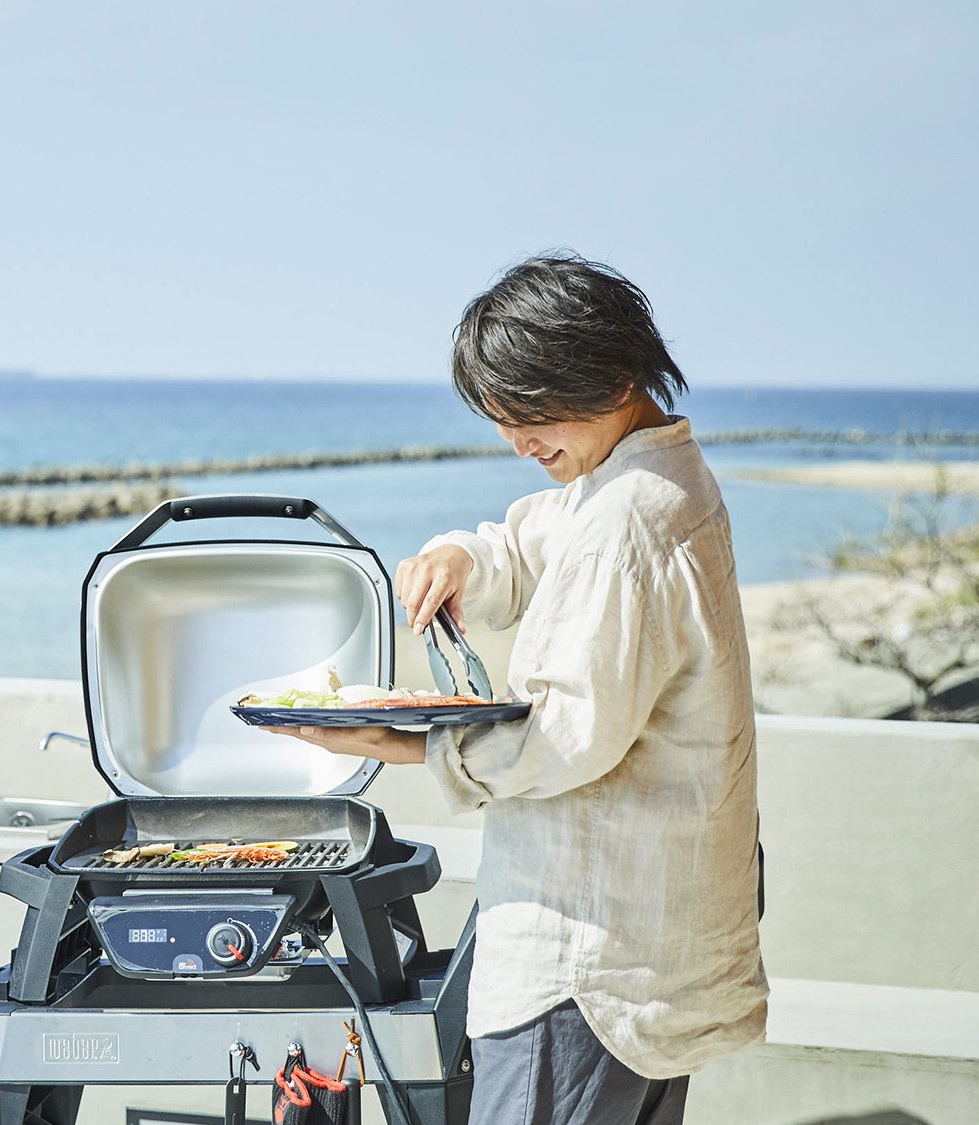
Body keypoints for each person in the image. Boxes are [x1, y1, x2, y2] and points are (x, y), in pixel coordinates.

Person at [280, 256, 766, 1124]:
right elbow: (537, 537)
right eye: (504, 416)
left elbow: (565, 736)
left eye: (533, 411)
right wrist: (468, 556)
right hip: (635, 952)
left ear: (615, 376)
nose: (518, 438)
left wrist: (410, 740)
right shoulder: (635, 482)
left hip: (583, 961)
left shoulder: (630, 518)